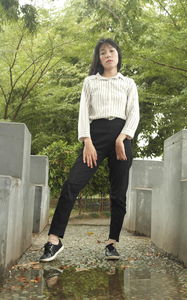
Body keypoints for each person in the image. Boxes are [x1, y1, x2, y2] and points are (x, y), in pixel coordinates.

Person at [39, 38, 140, 262]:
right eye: (103, 52)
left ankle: (112, 244)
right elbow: (83, 112)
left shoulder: (128, 83)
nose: (108, 55)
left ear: (118, 56)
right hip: (95, 135)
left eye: (111, 51)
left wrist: (122, 137)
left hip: (122, 137)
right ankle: (54, 241)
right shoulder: (90, 82)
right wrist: (87, 140)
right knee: (72, 184)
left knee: (118, 193)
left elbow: (134, 112)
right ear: (99, 58)